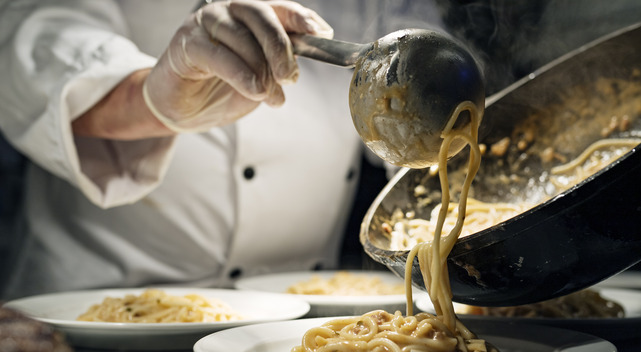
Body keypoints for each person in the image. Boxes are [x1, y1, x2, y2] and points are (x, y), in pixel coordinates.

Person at [0, 0, 445, 299]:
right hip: (96, 313)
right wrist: (151, 100)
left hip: (308, 311)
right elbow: (32, 43)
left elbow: (411, 47)